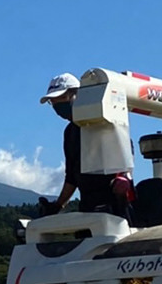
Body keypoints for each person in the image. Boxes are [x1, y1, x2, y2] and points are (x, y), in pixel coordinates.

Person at [38, 72, 133, 219]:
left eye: (62, 98)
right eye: (53, 102)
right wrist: (57, 205)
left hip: (116, 205)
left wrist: (124, 179)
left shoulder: (104, 123)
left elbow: (125, 157)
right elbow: (71, 176)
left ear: (78, 95)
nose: (57, 105)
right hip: (88, 206)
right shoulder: (70, 133)